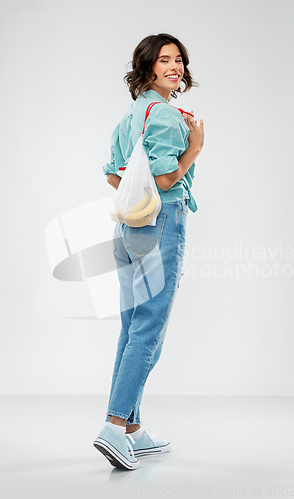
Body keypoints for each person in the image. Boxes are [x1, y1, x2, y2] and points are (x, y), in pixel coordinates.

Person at [93, 33, 204, 470]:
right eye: (164, 60)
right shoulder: (165, 117)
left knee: (132, 327)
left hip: (128, 229)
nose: (174, 66)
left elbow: (110, 176)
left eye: (179, 60)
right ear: (148, 67)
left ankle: (134, 431)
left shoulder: (133, 115)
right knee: (149, 331)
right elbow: (163, 181)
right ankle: (115, 426)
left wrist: (137, 206)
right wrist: (195, 146)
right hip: (162, 225)